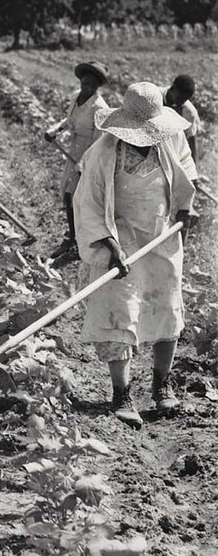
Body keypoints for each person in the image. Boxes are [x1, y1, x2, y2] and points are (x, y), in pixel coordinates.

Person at [74, 82, 197, 429]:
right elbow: (88, 203)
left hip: (161, 234)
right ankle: (122, 395)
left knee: (166, 307)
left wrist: (185, 211)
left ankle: (161, 386)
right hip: (120, 237)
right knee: (120, 311)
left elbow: (187, 174)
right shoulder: (103, 152)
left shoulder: (170, 139)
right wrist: (110, 245)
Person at [45, 61, 111, 261]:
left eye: (91, 86)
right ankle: (72, 236)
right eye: (84, 84)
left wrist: (83, 162)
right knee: (67, 194)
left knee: (78, 198)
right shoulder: (76, 97)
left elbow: (99, 141)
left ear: (97, 87)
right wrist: (55, 131)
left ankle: (79, 240)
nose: (86, 88)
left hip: (90, 153)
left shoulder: (100, 108)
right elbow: (68, 121)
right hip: (74, 149)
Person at [162, 75, 201, 165]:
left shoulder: (188, 111)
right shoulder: (155, 96)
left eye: (185, 100)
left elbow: (191, 140)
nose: (182, 102)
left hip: (172, 148)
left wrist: (194, 166)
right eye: (180, 98)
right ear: (172, 88)